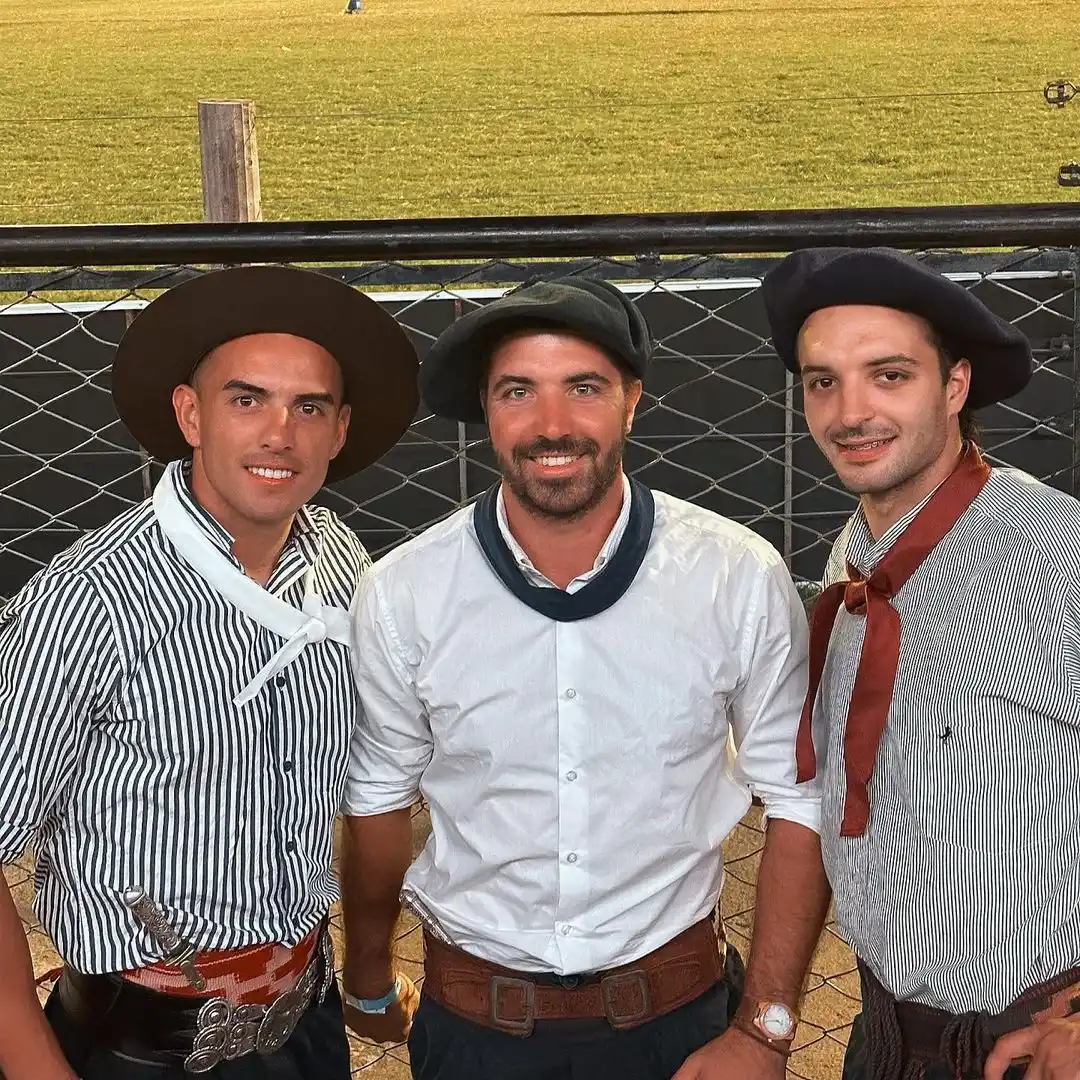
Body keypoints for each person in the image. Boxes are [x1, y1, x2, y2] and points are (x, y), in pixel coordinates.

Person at [336, 276, 831, 1080]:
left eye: (585, 388)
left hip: (681, 1023)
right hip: (475, 1029)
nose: (552, 425)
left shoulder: (734, 574)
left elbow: (798, 795)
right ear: (486, 410)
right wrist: (365, 975)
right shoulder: (404, 589)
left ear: (632, 400)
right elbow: (379, 794)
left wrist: (767, 1026)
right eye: (518, 391)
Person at [0, 264, 419, 1080]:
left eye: (309, 407)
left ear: (339, 431)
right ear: (190, 414)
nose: (279, 434)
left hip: (304, 1019)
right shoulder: (89, 602)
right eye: (246, 399)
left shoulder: (336, 558)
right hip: (138, 1046)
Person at [761, 246, 1080, 1080]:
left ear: (956, 385)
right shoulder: (856, 554)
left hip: (1034, 1042)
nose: (849, 411)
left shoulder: (1057, 552)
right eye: (822, 381)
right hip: (887, 1040)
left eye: (889, 375)